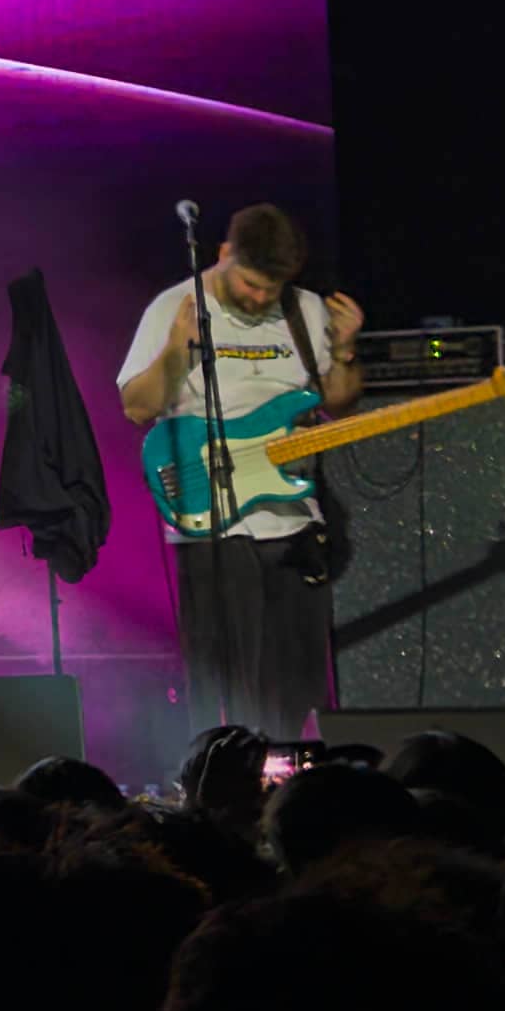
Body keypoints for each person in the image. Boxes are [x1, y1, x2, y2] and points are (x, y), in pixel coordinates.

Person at [113, 202, 363, 737]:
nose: (259, 299)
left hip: (294, 520)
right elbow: (137, 407)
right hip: (211, 523)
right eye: (250, 284)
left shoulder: (305, 310)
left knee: (297, 685)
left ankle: (294, 773)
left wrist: (342, 352)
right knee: (226, 688)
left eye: (272, 289)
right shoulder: (174, 306)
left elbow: (339, 405)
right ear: (224, 254)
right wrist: (175, 354)